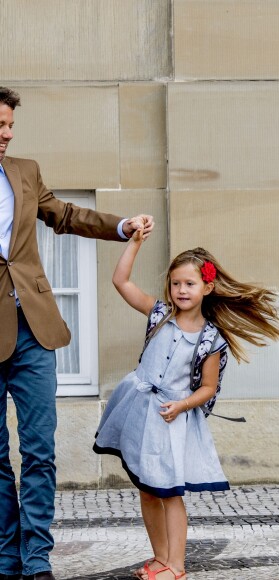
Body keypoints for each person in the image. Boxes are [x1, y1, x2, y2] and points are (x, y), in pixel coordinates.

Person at [0, 87, 154, 580]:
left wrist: (122, 225)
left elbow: (65, 215)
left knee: (39, 451)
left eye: (10, 127)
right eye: (0, 126)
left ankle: (36, 559)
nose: (6, 135)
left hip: (34, 332)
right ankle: (6, 559)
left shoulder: (25, 171)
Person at [93, 233, 279, 580]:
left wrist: (181, 405)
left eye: (190, 283)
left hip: (171, 419)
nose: (182, 289)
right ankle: (160, 558)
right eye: (176, 282)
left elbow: (208, 387)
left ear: (207, 287)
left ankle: (177, 566)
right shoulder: (159, 314)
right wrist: (135, 241)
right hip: (140, 411)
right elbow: (120, 281)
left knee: (168, 492)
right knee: (148, 490)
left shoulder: (211, 339)